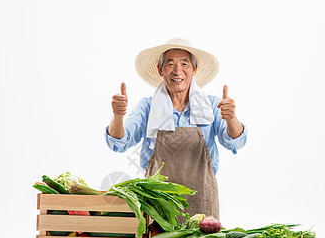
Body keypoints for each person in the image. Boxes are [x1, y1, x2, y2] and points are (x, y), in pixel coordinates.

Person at [105, 38, 247, 221]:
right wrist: (117, 116)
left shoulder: (212, 106)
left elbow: (236, 141)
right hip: (158, 205)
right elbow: (119, 142)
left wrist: (231, 118)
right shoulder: (148, 107)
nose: (177, 70)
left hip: (203, 205)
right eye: (170, 63)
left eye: (184, 63)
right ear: (160, 70)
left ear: (194, 70)